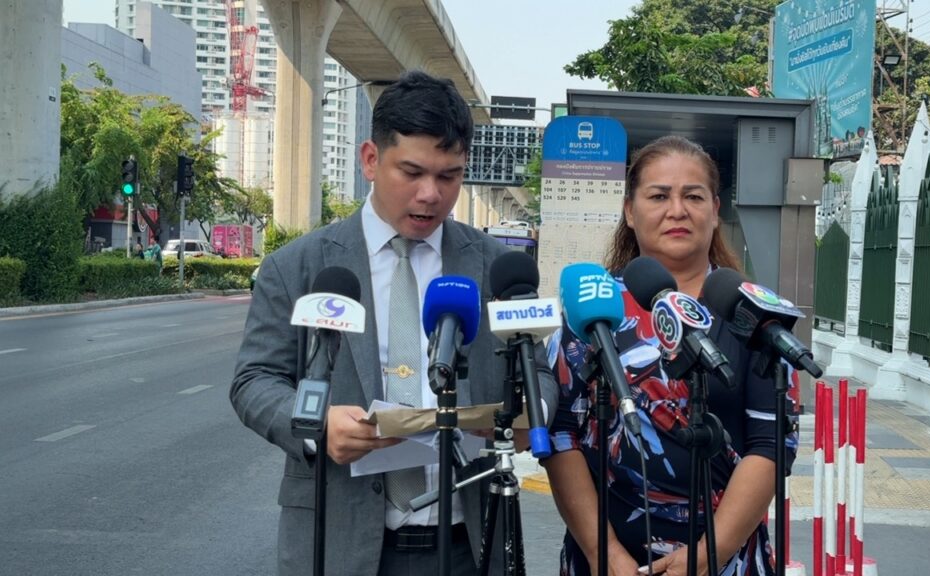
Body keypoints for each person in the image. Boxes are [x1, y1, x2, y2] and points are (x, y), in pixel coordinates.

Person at [230, 70, 558, 576]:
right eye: (412, 172)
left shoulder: (496, 267)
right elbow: (255, 381)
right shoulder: (299, 267)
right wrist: (318, 424)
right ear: (370, 160)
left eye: (448, 176)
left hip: (470, 540)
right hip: (338, 539)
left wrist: (528, 416)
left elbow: (536, 371)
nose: (430, 194)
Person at [543, 135, 798, 576]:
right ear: (629, 210)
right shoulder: (592, 311)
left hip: (726, 560)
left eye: (693, 196)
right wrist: (607, 555)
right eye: (659, 196)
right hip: (604, 560)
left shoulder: (754, 313)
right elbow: (561, 436)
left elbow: (772, 444)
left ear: (715, 211)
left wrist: (710, 554)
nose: (677, 210)